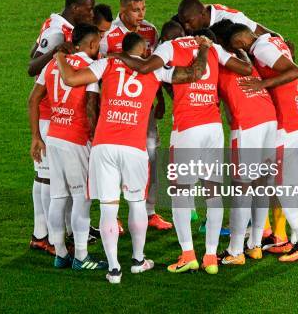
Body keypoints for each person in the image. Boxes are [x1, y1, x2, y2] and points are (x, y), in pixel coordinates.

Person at [56, 32, 211, 284]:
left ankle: (114, 269)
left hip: (104, 146)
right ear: (145, 50)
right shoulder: (156, 71)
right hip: (133, 147)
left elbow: (71, 78)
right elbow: (195, 73)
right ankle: (138, 261)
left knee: (108, 207)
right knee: (137, 203)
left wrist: (60, 56)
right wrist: (203, 48)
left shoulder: (107, 63)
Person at [111, 28, 252, 274]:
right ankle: (210, 257)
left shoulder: (170, 47)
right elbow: (245, 69)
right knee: (213, 192)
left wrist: (118, 56)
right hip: (213, 128)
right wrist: (241, 51)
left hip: (188, 129)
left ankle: (188, 254)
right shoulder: (212, 46)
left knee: (180, 193)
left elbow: (146, 67)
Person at [225, 23, 298, 262]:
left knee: (282, 183)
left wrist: (261, 84)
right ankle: (295, 238)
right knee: (292, 181)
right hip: (297, 118)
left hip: (286, 125)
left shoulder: (262, 47)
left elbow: (295, 70)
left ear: (241, 43)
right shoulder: (272, 39)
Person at [28, 24, 107, 270]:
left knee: (58, 197)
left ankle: (60, 254)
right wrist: (96, 141)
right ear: (92, 45)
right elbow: (91, 109)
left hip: (53, 136)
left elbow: (33, 99)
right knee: (82, 199)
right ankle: (81, 257)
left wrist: (35, 137)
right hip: (77, 139)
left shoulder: (53, 64)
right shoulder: (90, 68)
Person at [27, 0, 95, 254]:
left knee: (52, 182)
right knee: (47, 180)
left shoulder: (57, 22)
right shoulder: (58, 30)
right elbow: (32, 65)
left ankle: (55, 234)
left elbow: (34, 45)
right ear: (76, 8)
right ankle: (42, 235)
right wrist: (56, 51)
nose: (91, 13)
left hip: (55, 112)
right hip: (49, 112)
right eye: (88, 9)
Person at [100, 0, 172, 231]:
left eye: (143, 9)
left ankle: (150, 212)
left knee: (151, 154)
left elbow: (155, 68)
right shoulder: (108, 34)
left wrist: (160, 99)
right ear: (122, 10)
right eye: (135, 10)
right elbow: (99, 70)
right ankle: (113, 214)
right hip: (114, 108)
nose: (140, 15)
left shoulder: (150, 32)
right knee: (113, 158)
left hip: (143, 107)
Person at [210, 19, 278, 265]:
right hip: (270, 119)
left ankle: (235, 251)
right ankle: (255, 245)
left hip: (247, 125)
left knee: (241, 189)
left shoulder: (218, 60)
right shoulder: (245, 56)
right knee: (261, 186)